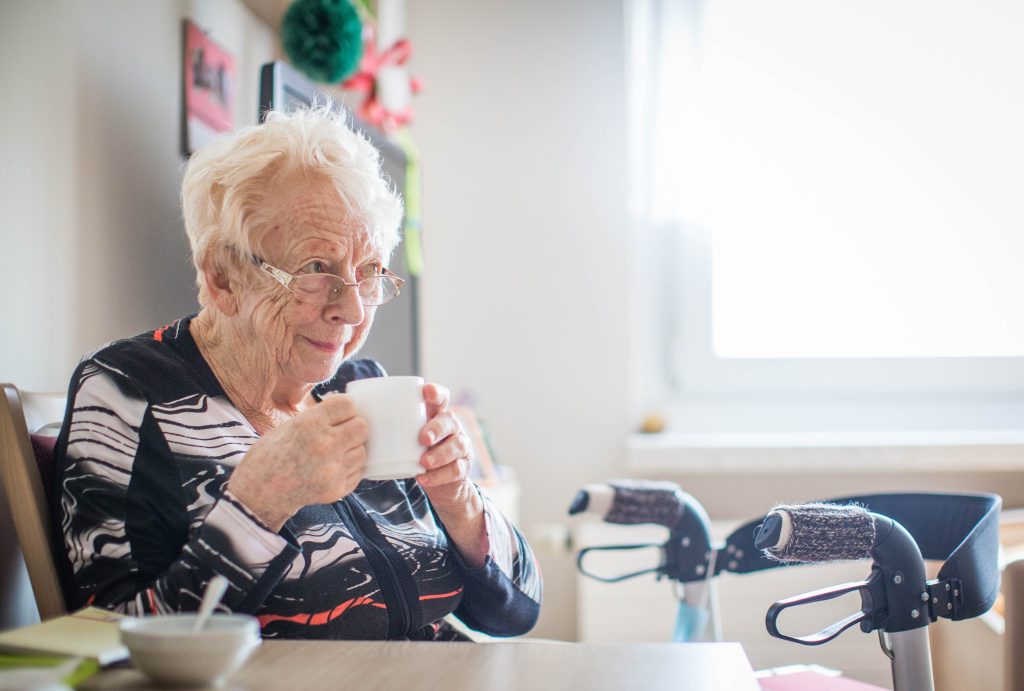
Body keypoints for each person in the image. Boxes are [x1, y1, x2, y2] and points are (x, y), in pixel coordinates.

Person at [53, 106, 542, 640]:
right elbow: (107, 638)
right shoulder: (132, 391)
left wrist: (457, 497)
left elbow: (517, 612)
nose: (353, 310)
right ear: (222, 277)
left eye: (369, 272)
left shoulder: (360, 388)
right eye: (316, 269)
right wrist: (260, 503)